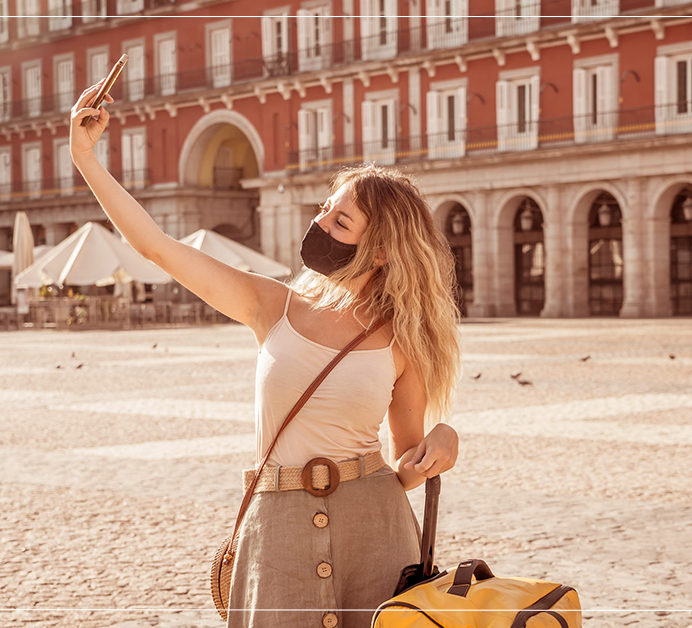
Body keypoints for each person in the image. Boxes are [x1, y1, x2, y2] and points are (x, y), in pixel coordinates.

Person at [70, 83, 462, 628]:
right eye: (325, 210)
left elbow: (408, 461)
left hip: (377, 530)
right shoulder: (271, 304)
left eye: (340, 221)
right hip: (276, 528)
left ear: (380, 251)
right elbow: (156, 245)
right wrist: (85, 158)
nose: (320, 224)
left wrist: (443, 442)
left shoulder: (402, 337)